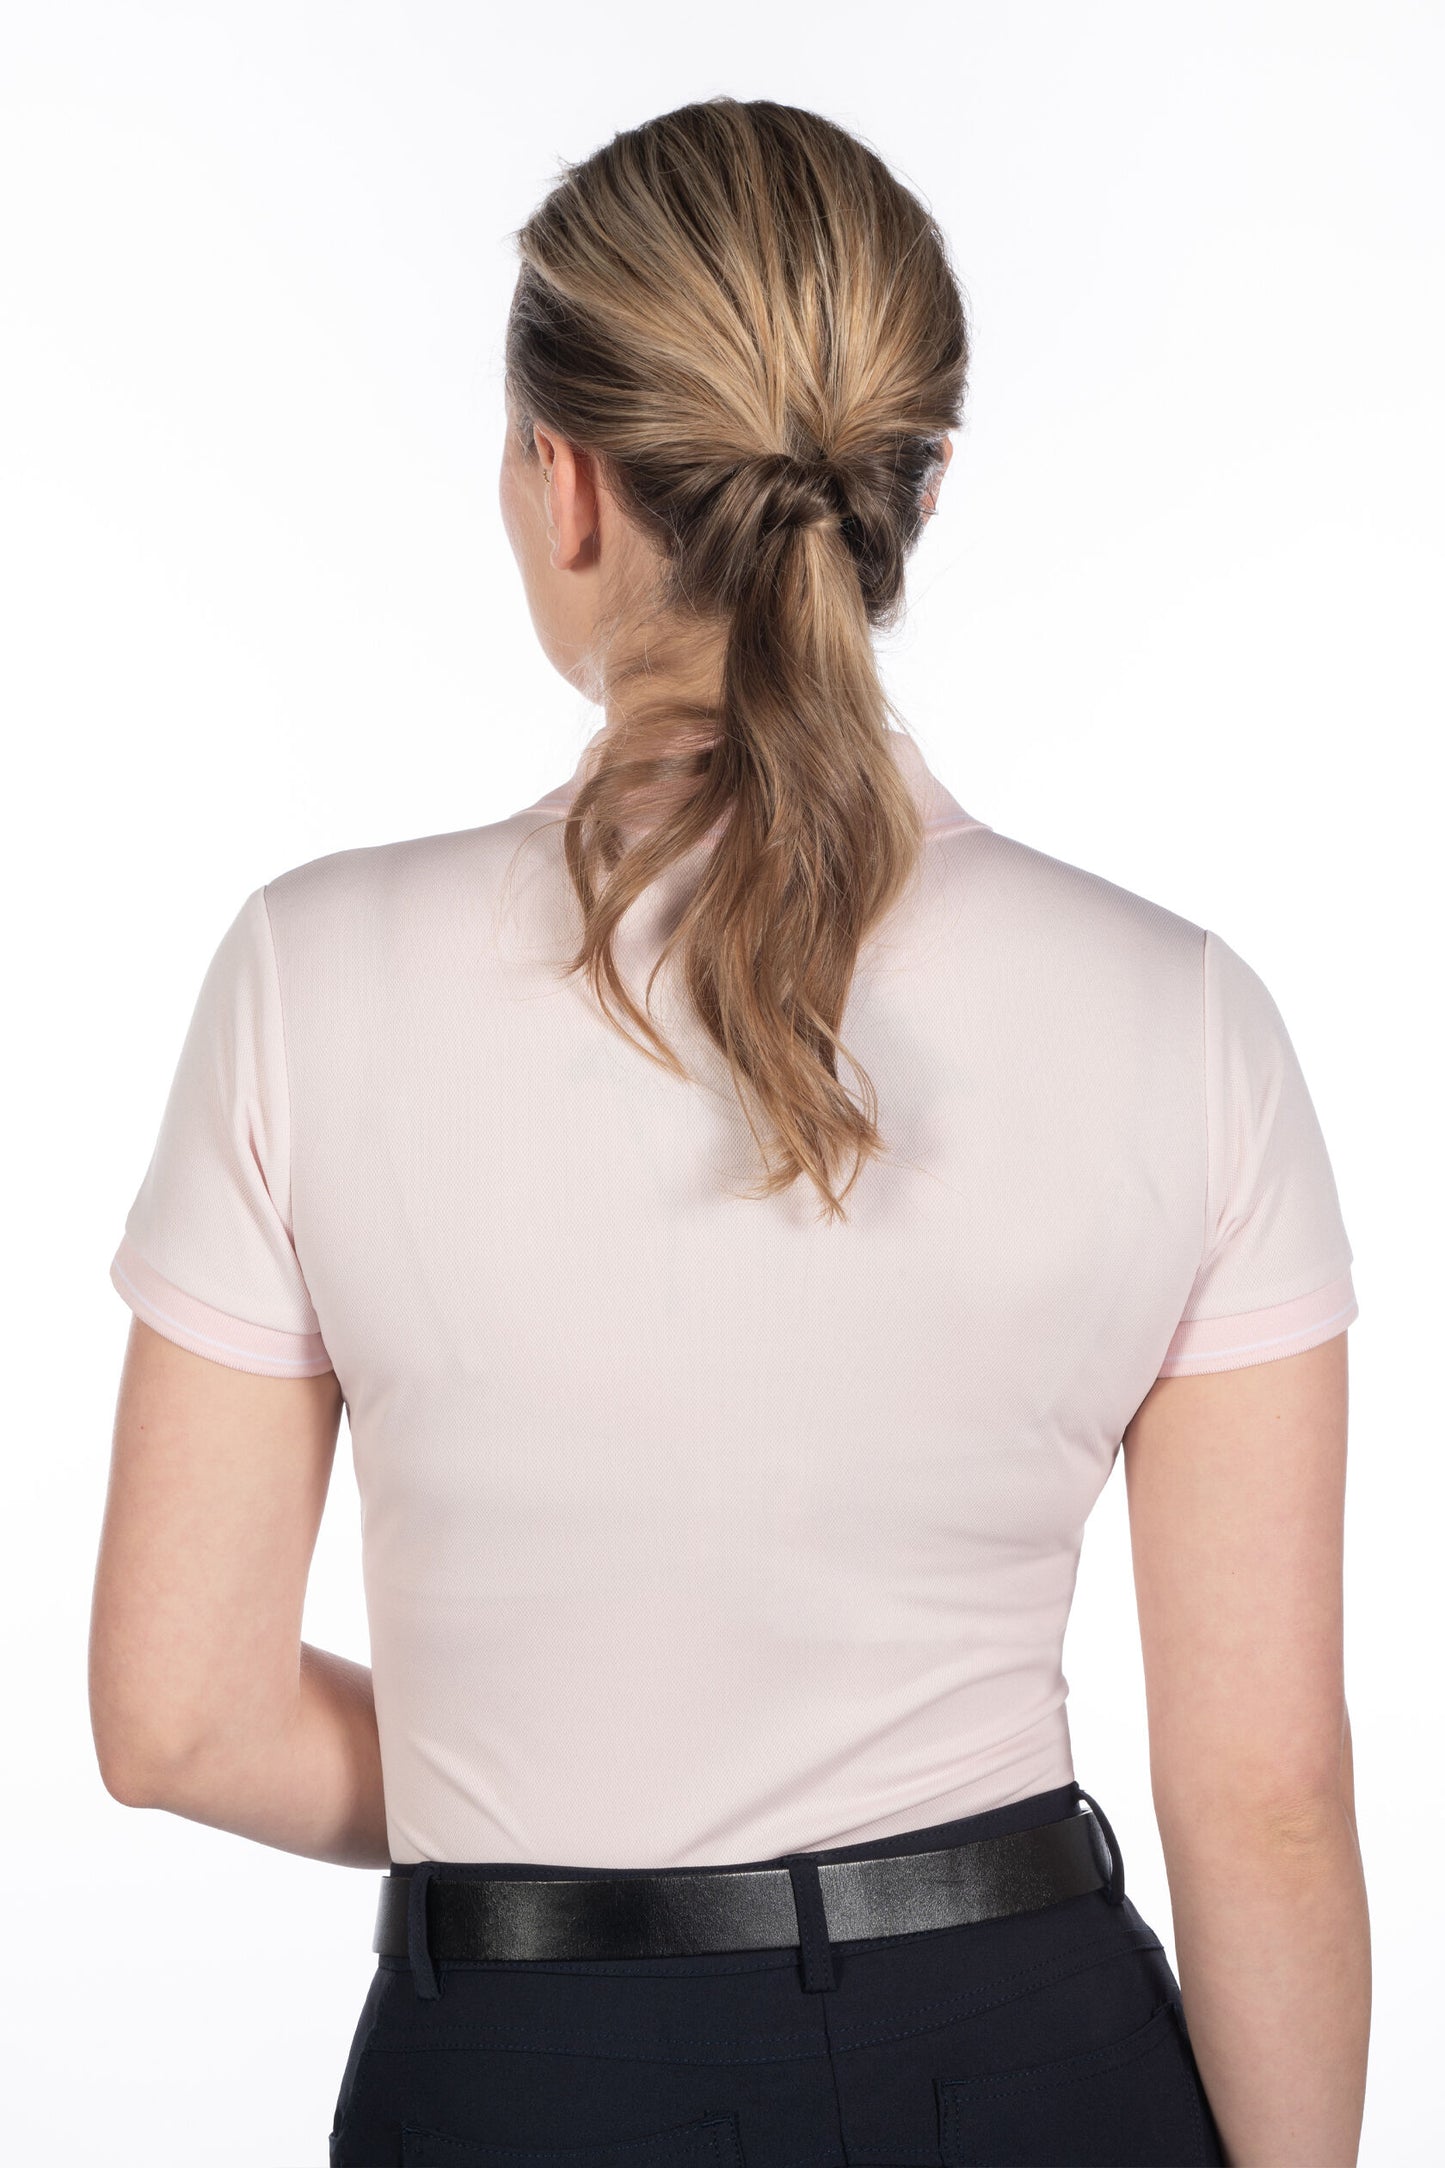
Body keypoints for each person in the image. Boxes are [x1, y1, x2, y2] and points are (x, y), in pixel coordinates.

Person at [90, 96, 1369, 2168]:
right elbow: (1271, 1801)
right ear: (917, 485)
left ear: (565, 480)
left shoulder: (308, 978)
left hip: (523, 2073)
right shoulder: (1183, 1014)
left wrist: (559, 1763)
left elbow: (177, 1720)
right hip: (1025, 2053)